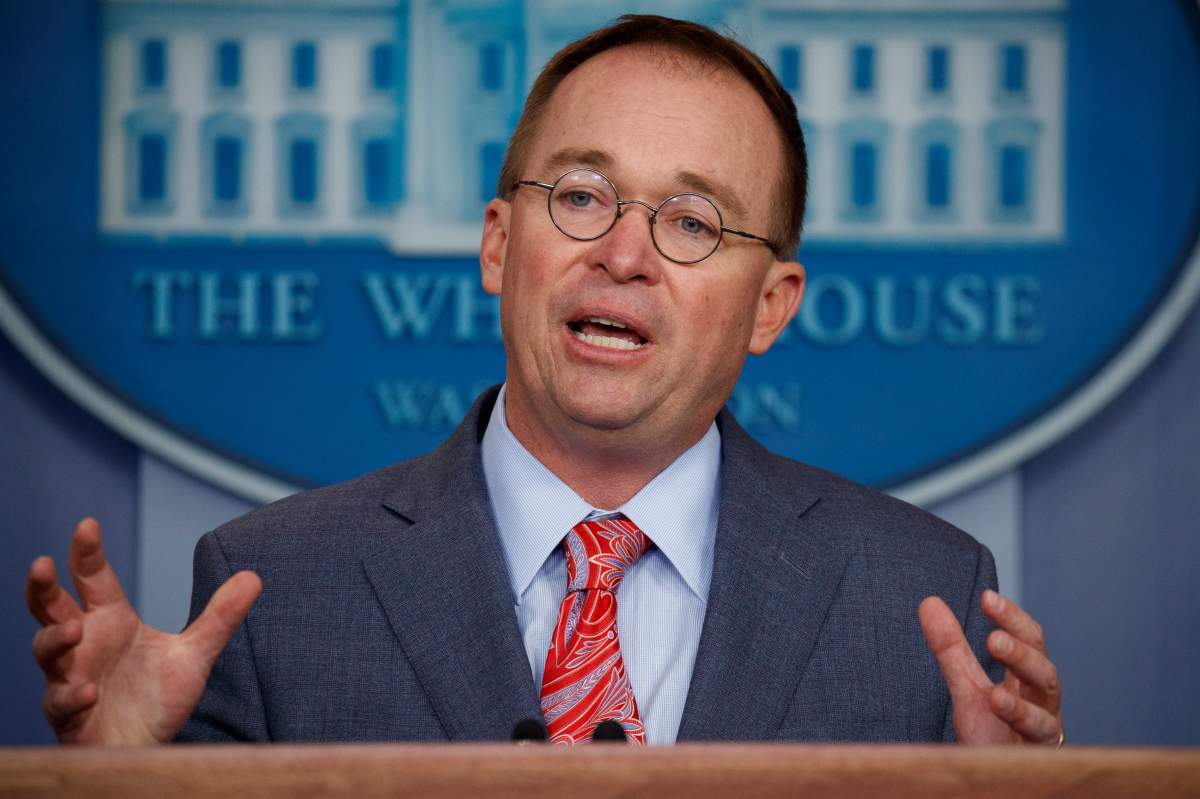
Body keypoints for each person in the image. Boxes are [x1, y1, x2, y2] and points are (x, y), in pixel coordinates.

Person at [25, 15, 1063, 747]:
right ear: (496, 243)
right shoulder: (274, 593)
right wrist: (119, 788)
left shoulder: (919, 606)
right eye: (581, 195)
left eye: (692, 223)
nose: (623, 253)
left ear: (771, 306)